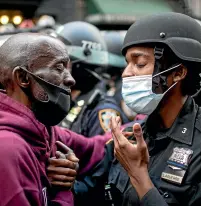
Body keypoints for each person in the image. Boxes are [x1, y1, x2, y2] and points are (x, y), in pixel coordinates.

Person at [75, 13, 201, 206]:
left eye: (139, 63)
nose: (126, 73)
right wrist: (64, 179)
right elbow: (93, 192)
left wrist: (139, 177)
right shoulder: (130, 136)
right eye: (127, 63)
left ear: (178, 73)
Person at [0, 33, 111, 206]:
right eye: (58, 68)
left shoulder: (44, 131)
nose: (70, 79)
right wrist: (63, 191)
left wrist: (142, 123)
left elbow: (95, 148)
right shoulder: (9, 150)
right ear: (22, 77)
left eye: (68, 68)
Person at [55, 22, 129, 137]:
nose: (55, 68)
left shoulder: (103, 112)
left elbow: (103, 152)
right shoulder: (63, 102)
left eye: (63, 63)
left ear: (81, 64)